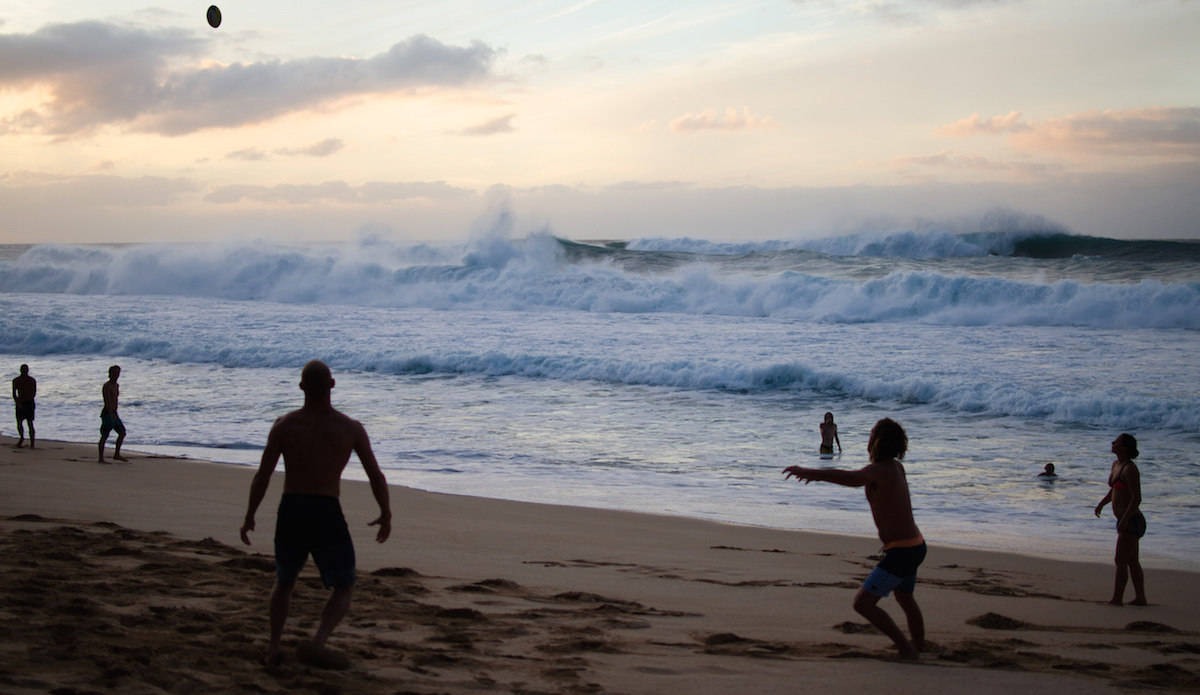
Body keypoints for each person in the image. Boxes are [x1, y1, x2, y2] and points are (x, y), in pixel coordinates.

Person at [240, 360, 392, 668]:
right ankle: (318, 641)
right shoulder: (350, 428)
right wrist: (385, 512)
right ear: (332, 385)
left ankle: (273, 647)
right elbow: (375, 476)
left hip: (292, 508)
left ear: (301, 388)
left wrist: (250, 515)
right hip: (325, 511)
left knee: (284, 581)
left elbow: (263, 475)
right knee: (345, 584)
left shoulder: (284, 425)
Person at [784, 418, 925, 660]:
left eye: (871, 434)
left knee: (863, 604)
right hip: (915, 546)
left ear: (877, 441)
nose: (868, 438)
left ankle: (907, 649)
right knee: (905, 598)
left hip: (902, 552)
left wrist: (810, 473)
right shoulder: (894, 468)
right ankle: (919, 646)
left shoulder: (878, 471)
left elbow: (849, 478)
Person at [1094, 433, 1146, 606]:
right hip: (1124, 520)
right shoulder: (1116, 464)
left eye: (1116, 442)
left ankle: (1117, 598)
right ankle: (1140, 597)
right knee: (1131, 561)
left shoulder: (1130, 469)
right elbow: (1115, 490)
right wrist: (1102, 503)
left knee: (1121, 560)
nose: (1112, 443)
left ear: (1124, 447)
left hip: (1132, 520)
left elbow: (1136, 498)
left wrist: (1124, 518)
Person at [98, 365, 127, 463]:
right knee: (105, 435)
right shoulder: (107, 386)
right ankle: (101, 458)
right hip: (108, 413)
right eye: (114, 373)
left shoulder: (116, 385)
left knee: (122, 432)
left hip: (114, 412)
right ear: (109, 374)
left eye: (118, 373)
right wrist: (111, 413)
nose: (116, 375)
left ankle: (116, 454)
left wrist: (115, 413)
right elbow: (107, 401)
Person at [12, 364, 36, 449]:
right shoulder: (31, 380)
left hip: (23, 402)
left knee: (21, 423)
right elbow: (33, 394)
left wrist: (19, 402)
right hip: (28, 402)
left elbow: (14, 395)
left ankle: (24, 439)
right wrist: (19, 402)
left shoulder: (16, 380)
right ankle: (30, 442)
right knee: (29, 423)